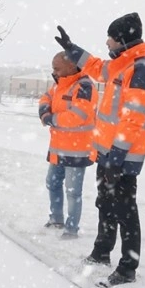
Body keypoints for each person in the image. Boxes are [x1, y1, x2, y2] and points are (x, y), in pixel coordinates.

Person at [55, 12, 145, 286]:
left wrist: (117, 156)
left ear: (123, 40)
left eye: (111, 38)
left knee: (125, 210)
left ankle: (127, 268)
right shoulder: (121, 65)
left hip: (122, 157)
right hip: (107, 153)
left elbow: (133, 117)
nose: (107, 42)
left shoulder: (141, 70)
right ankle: (101, 252)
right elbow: (96, 67)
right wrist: (72, 49)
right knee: (105, 204)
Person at [38, 52, 98, 239]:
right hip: (58, 147)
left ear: (71, 66)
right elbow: (44, 99)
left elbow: (76, 116)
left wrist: (51, 119)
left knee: (73, 191)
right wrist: (44, 112)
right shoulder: (60, 85)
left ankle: (71, 229)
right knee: (52, 183)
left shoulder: (84, 87)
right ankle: (56, 219)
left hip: (77, 150)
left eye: (57, 68)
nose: (53, 72)